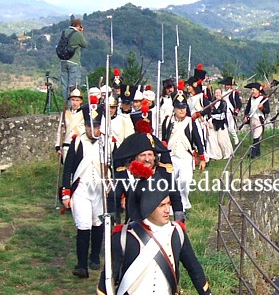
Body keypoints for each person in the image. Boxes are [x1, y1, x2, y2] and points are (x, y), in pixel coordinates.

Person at [60, 102, 113, 278]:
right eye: (90, 126)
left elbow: (114, 166)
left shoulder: (107, 143)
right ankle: (81, 265)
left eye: (96, 126)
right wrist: (66, 193)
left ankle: (95, 256)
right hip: (81, 189)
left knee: (98, 224)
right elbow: (68, 169)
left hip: (99, 190)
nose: (93, 130)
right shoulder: (77, 142)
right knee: (83, 226)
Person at [110, 131, 184, 224]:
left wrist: (179, 222)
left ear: (154, 157)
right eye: (142, 155)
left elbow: (175, 197)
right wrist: (114, 222)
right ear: (135, 158)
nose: (147, 159)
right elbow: (113, 198)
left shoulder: (164, 172)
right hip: (134, 224)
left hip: (159, 223)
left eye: (150, 155)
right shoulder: (125, 174)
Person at [161, 91, 207, 213]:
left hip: (185, 156)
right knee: (170, 183)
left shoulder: (190, 122)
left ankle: (184, 204)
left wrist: (202, 158)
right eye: (179, 108)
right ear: (174, 108)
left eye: (184, 107)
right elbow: (164, 139)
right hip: (171, 157)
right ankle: (173, 206)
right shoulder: (167, 122)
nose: (182, 110)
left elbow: (197, 140)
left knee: (185, 181)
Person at [59, 18, 88, 101]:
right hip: (73, 61)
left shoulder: (64, 32)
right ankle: (72, 106)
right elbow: (85, 44)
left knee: (64, 85)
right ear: (79, 26)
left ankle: (66, 105)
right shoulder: (78, 34)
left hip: (63, 60)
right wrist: (81, 33)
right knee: (73, 86)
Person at [55, 88, 86, 162]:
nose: (74, 102)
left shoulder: (85, 113)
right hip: (67, 145)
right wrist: (58, 146)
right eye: (73, 100)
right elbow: (60, 130)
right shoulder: (65, 114)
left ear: (81, 101)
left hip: (80, 145)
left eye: (77, 100)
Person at [243, 82, 269, 158]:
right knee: (254, 136)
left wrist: (262, 108)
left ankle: (253, 153)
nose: (252, 91)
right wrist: (246, 116)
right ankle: (258, 153)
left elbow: (267, 110)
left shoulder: (263, 99)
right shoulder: (251, 98)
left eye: (253, 90)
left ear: (258, 90)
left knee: (256, 136)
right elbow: (248, 109)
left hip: (259, 119)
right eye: (252, 90)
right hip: (252, 119)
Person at [207, 87, 234, 159]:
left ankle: (227, 153)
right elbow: (209, 113)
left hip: (221, 123)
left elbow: (221, 113)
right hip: (213, 123)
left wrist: (214, 115)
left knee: (222, 139)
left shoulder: (223, 103)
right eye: (216, 93)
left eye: (219, 93)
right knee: (214, 140)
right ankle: (217, 154)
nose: (217, 94)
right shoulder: (211, 103)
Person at [221, 76, 243, 145]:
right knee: (224, 127)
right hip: (222, 110)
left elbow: (239, 104)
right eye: (226, 85)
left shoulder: (234, 92)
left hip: (230, 111)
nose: (226, 86)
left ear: (231, 85)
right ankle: (226, 141)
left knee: (230, 127)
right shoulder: (222, 92)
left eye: (228, 85)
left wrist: (235, 113)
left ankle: (235, 138)